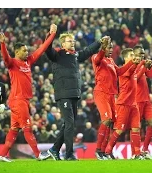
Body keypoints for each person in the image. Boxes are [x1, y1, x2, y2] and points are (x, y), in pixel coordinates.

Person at [0, 24, 57, 162]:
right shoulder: (12, 63)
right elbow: (5, 58)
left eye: (27, 50)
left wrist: (52, 34)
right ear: (17, 52)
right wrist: (3, 44)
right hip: (18, 100)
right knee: (27, 127)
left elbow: (41, 49)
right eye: (24, 51)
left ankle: (2, 155)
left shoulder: (28, 61)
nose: (27, 52)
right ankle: (38, 154)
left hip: (22, 100)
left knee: (14, 129)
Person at [44, 31, 110, 161]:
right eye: (70, 41)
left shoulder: (75, 55)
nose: (73, 42)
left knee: (68, 124)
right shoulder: (57, 54)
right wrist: (51, 34)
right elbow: (47, 48)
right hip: (63, 94)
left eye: (73, 41)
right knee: (69, 123)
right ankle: (69, 154)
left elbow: (87, 51)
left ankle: (54, 150)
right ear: (63, 44)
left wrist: (99, 42)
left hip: (74, 94)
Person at [91, 40, 134, 160]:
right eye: (109, 48)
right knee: (106, 120)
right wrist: (103, 48)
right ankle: (98, 150)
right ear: (104, 48)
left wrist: (132, 63)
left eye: (111, 48)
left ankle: (104, 151)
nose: (111, 50)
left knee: (110, 123)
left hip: (111, 94)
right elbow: (97, 59)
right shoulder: (97, 57)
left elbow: (119, 71)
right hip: (101, 92)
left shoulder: (110, 60)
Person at [104, 48, 142, 160]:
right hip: (123, 103)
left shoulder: (134, 70)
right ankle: (107, 151)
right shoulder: (123, 70)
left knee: (136, 128)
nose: (133, 57)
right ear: (126, 58)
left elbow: (137, 70)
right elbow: (130, 71)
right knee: (119, 130)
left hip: (133, 104)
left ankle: (137, 154)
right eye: (131, 55)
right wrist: (136, 64)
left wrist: (144, 63)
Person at [133, 45, 152, 159]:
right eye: (140, 54)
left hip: (146, 100)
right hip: (136, 100)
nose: (142, 56)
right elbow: (136, 78)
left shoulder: (142, 64)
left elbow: (151, 74)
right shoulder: (132, 65)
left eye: (143, 54)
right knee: (136, 127)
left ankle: (145, 150)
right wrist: (144, 66)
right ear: (134, 54)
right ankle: (135, 153)